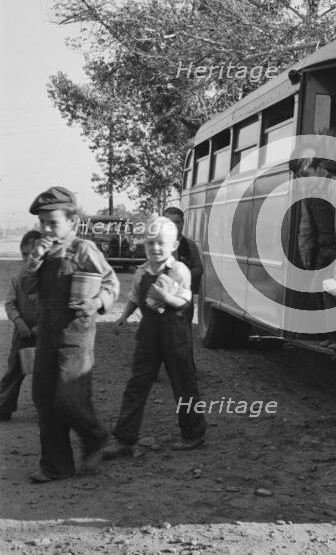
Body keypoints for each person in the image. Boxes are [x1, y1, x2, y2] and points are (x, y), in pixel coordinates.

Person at [22, 187, 120, 483]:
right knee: (43, 398)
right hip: (48, 332)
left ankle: (97, 438)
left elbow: (111, 283)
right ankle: (56, 466)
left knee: (68, 397)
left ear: (72, 222)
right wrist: (34, 261)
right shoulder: (41, 252)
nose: (46, 229)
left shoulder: (84, 249)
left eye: (53, 222)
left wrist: (97, 302)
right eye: (43, 223)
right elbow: (26, 289)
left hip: (76, 333)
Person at [103, 217, 207, 457]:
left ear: (174, 245)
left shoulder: (180, 270)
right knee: (137, 384)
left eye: (161, 243)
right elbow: (133, 296)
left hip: (175, 334)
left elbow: (185, 300)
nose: (155, 248)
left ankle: (193, 434)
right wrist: (124, 317)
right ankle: (124, 438)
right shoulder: (141, 271)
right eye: (150, 243)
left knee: (184, 383)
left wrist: (166, 298)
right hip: (148, 336)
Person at [289, 145, 336, 352]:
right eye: (300, 176)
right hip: (321, 250)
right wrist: (306, 252)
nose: (304, 179)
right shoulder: (309, 192)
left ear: (319, 167)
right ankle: (331, 334)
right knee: (315, 291)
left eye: (305, 174)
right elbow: (306, 226)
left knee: (334, 294)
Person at [0, 231, 41, 421]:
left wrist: (41, 327)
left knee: (48, 372)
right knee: (14, 369)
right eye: (24, 254)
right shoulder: (18, 278)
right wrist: (19, 322)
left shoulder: (49, 279)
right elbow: (9, 303)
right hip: (22, 332)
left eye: (33, 254)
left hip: (46, 333)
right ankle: (3, 406)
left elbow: (55, 307)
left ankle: (50, 409)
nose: (28, 259)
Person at [163, 207, 203, 324]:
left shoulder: (189, 245)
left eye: (178, 222)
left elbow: (199, 268)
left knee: (184, 333)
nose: (174, 225)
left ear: (183, 223)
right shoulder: (157, 245)